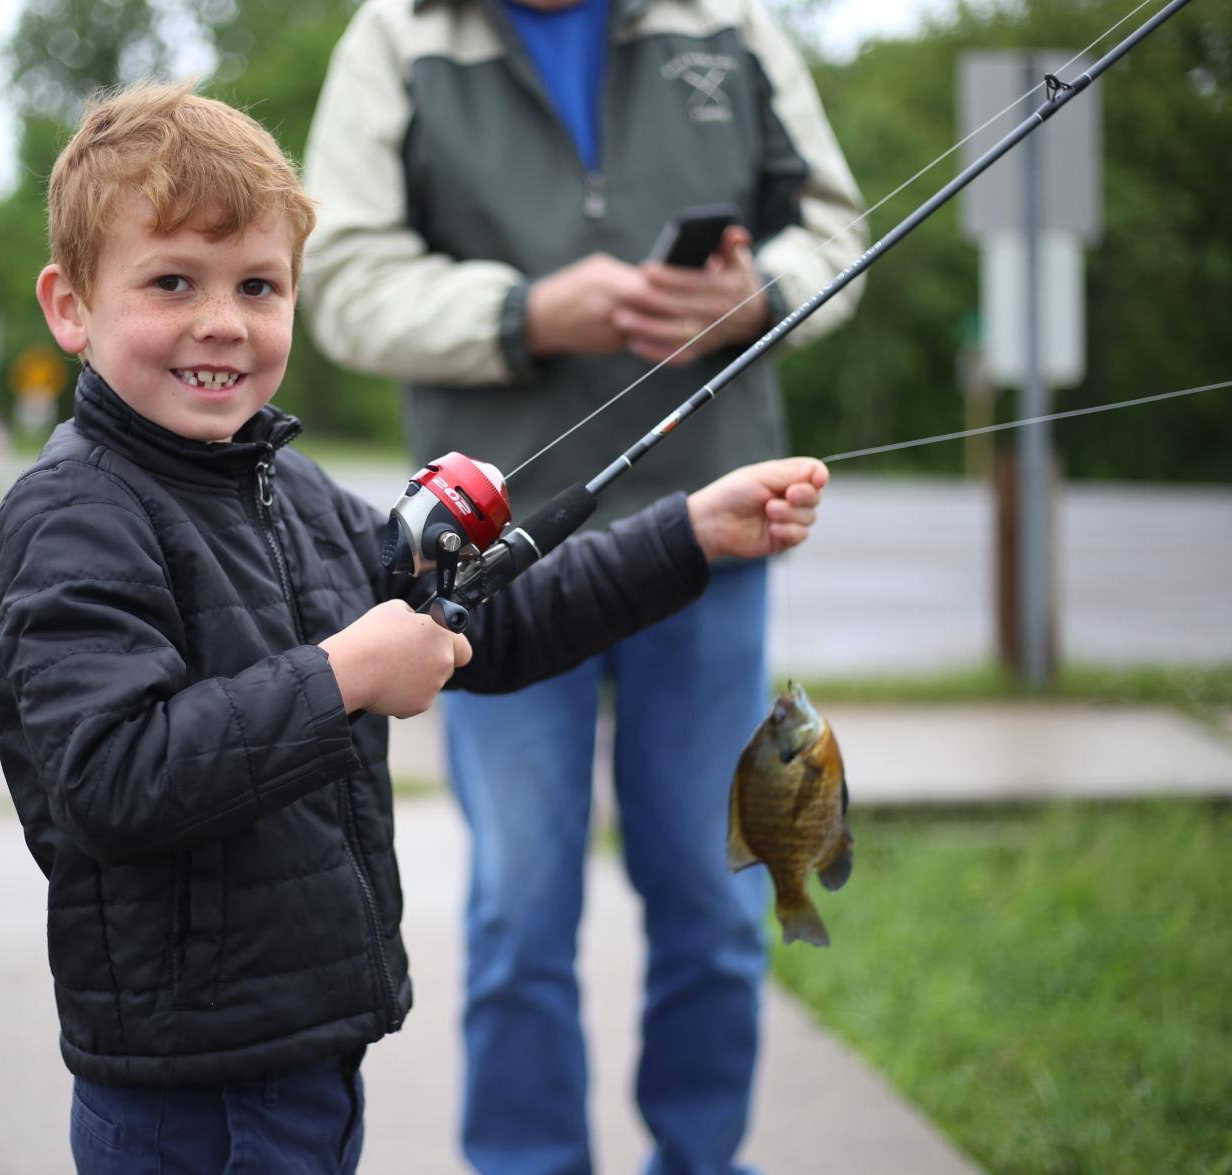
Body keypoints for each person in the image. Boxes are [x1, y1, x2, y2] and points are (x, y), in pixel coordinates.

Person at [0, 80, 829, 1174]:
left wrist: (686, 532)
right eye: (171, 282)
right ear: (71, 306)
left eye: (257, 284)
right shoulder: (71, 516)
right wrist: (341, 674)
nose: (222, 321)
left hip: (304, 1048)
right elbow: (110, 777)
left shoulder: (285, 483)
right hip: (189, 1085)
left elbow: (490, 626)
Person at [302, 2, 867, 1172]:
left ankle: (702, 1156)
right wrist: (523, 312)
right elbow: (340, 280)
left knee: (715, 902)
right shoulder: (391, 38)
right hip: (485, 571)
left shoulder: (733, 22)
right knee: (518, 913)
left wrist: (760, 293)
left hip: (712, 537)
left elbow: (834, 228)